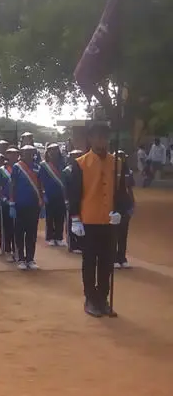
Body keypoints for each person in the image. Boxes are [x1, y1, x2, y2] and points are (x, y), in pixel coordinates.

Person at [68, 123, 129, 317]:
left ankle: (103, 298)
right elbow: (74, 193)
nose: (101, 140)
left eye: (104, 136)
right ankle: (90, 299)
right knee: (89, 261)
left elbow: (121, 191)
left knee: (107, 261)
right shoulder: (80, 163)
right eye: (97, 136)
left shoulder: (117, 162)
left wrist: (120, 211)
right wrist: (75, 219)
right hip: (89, 219)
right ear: (90, 139)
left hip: (109, 220)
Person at [10, 145, 45, 270]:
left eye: (31, 152)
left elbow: (40, 186)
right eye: (26, 152)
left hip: (33, 205)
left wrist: (42, 202)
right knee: (20, 232)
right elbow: (13, 185)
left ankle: (30, 258)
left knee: (32, 233)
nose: (29, 155)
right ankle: (21, 258)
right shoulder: (17, 167)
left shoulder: (38, 167)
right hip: (20, 205)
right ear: (22, 153)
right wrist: (12, 203)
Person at [39, 143, 66, 246]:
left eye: (55, 150)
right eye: (51, 150)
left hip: (61, 194)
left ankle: (59, 237)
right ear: (48, 152)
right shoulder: (44, 165)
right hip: (49, 194)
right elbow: (40, 181)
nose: (54, 152)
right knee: (50, 217)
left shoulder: (62, 163)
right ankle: (50, 237)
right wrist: (43, 195)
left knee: (60, 216)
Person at [114, 150, 134, 269]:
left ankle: (122, 258)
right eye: (119, 157)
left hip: (125, 205)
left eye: (123, 157)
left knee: (123, 233)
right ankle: (114, 258)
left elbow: (130, 189)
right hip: (114, 204)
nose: (121, 159)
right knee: (114, 233)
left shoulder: (128, 172)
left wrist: (132, 205)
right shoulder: (111, 171)